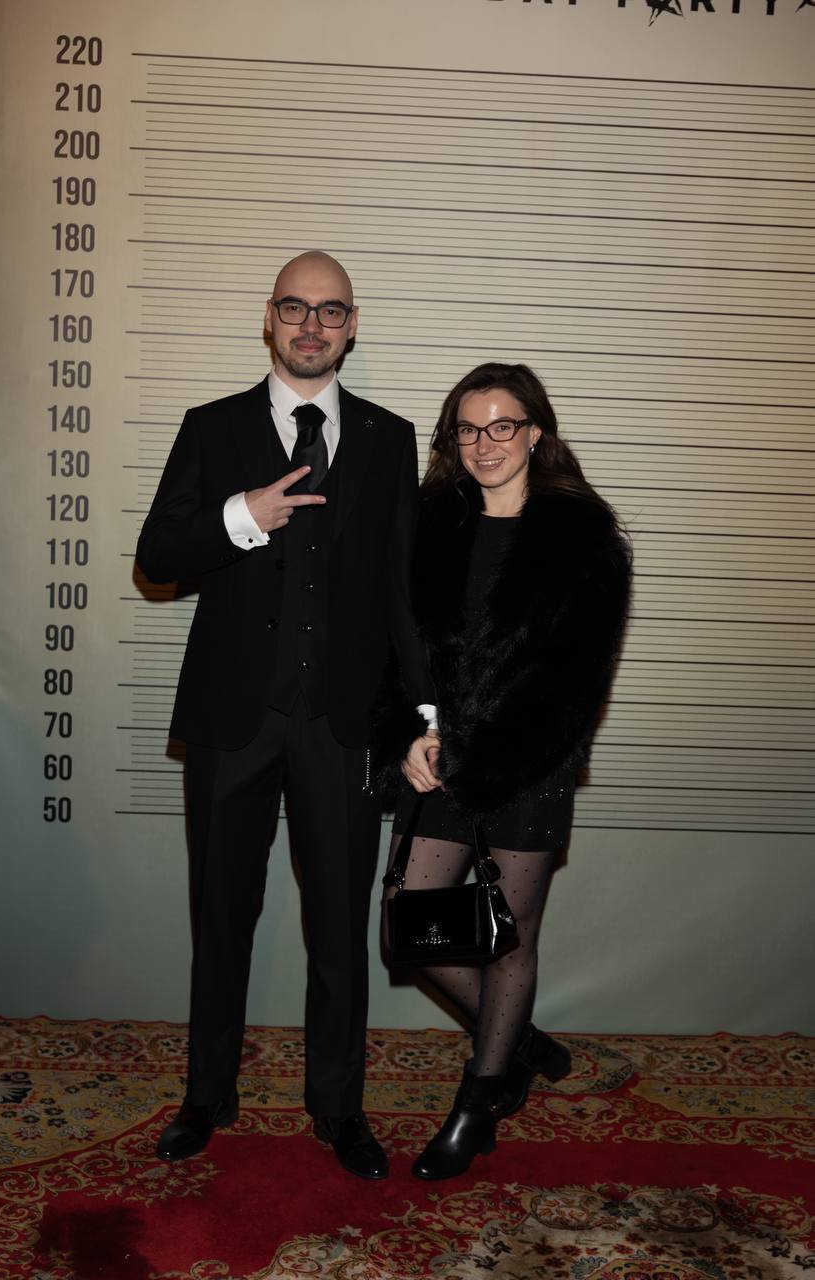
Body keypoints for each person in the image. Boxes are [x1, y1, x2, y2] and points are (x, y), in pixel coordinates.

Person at [136, 251, 435, 1179]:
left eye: (330, 311)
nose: (312, 326)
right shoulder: (211, 426)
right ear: (269, 318)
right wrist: (242, 515)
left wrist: (422, 712)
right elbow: (157, 556)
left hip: (341, 725)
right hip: (232, 717)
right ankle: (206, 1096)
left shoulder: (389, 438)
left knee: (340, 927)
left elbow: (402, 591)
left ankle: (339, 1109)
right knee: (220, 917)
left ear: (352, 325)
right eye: (295, 308)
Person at [378, 362, 631, 1180]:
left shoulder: (583, 537)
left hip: (529, 764)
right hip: (436, 759)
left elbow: (576, 680)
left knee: (508, 942)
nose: (483, 443)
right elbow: (399, 647)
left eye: (502, 426)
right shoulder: (430, 523)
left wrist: (483, 757)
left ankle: (478, 1102)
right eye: (467, 428)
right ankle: (517, 1040)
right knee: (411, 925)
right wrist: (412, 732)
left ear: (535, 432)